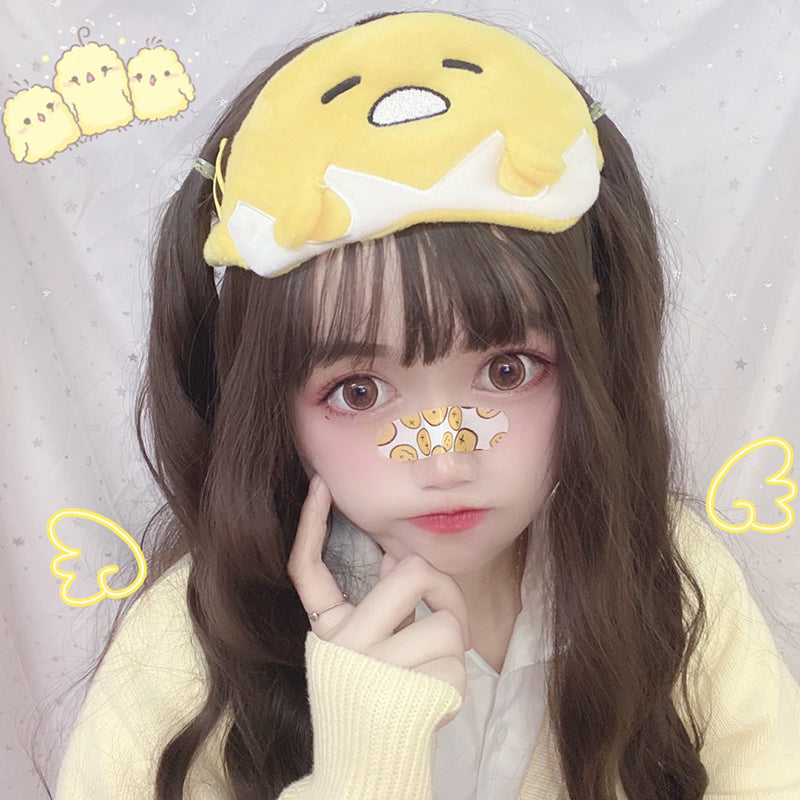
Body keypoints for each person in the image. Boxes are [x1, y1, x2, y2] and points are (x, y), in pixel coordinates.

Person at [55, 10, 800, 800]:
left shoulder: (671, 578)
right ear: (272, 403)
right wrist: (360, 776)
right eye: (359, 391)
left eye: (507, 371)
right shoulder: (183, 651)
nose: (445, 459)